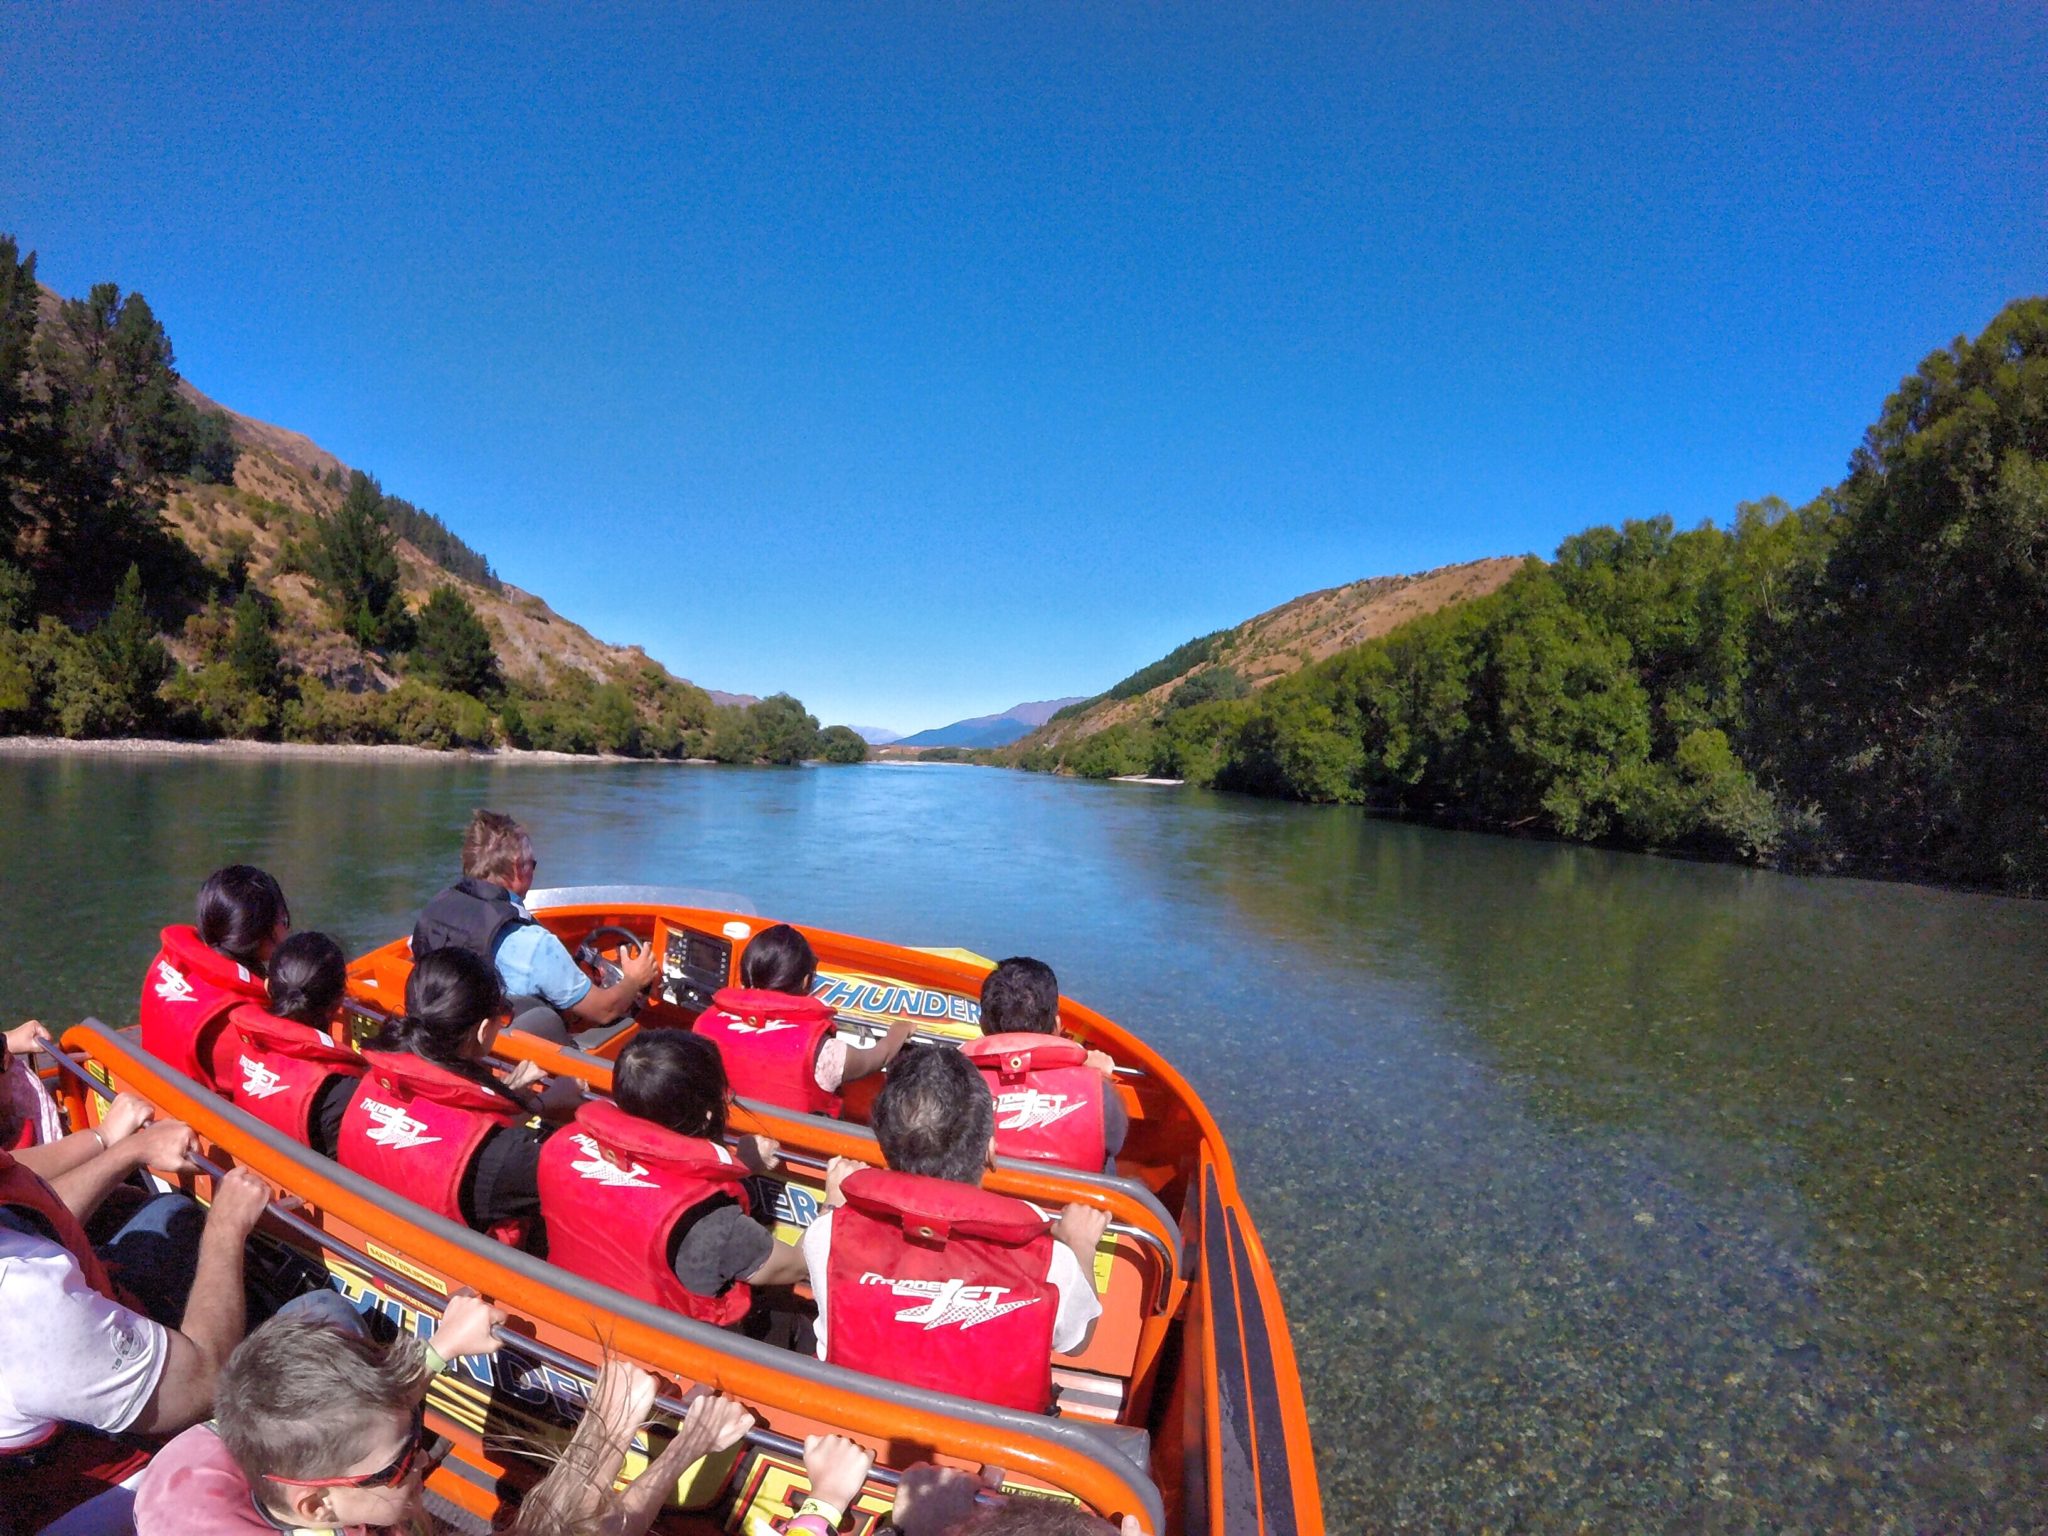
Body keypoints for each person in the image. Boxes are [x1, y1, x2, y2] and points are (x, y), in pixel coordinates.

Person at [0, 1043, 273, 1532]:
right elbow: (201, 1387)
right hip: (102, 1474)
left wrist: (125, 1149)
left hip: (69, 1362)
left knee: (169, 1216)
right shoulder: (25, 1297)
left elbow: (36, 1214)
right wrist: (227, 1228)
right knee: (327, 1321)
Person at [799, 1047, 1109, 1412]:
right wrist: (1081, 1246)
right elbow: (1078, 1341)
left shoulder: (828, 1234)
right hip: (995, 1450)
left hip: (853, 1429)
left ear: (883, 1146)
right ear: (991, 1151)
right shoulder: (1052, 1262)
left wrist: (832, 1206)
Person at [537, 1032, 807, 1329]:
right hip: (658, 1357)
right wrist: (833, 1203)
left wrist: (740, 1166)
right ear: (707, 1116)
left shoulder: (558, 1145)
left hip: (566, 1320)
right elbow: (795, 1265)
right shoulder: (709, 1221)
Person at [336, 948, 576, 1251]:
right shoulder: (507, 1159)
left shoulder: (363, 1085)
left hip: (373, 1246)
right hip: (462, 1285)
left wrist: (513, 1095)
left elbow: (445, 1118)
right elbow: (577, 1190)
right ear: (483, 1030)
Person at [411, 810, 659, 1044]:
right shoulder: (535, 945)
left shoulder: (433, 914)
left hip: (458, 1040)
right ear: (519, 868)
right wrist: (635, 980)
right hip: (525, 1054)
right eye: (533, 864)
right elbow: (605, 1010)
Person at [694, 924, 912, 1118]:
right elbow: (879, 1056)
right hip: (800, 1156)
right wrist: (900, 1030)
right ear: (807, 980)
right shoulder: (823, 1051)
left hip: (729, 1137)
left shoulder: (703, 1024)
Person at [963, 958, 1127, 1174]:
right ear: (1057, 1027)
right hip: (1069, 1207)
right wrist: (1098, 1077)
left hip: (983, 1204)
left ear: (982, 1024)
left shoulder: (953, 1084)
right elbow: (1116, 1142)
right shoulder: (1100, 1094)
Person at [140, 865, 290, 1089]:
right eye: (284, 919)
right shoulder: (243, 1019)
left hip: (152, 1087)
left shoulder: (170, 961)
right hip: (198, 1116)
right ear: (267, 930)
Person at [222, 931, 364, 1157]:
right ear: (339, 1001)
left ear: (268, 987)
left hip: (253, 1165)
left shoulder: (240, 1042)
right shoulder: (340, 1091)